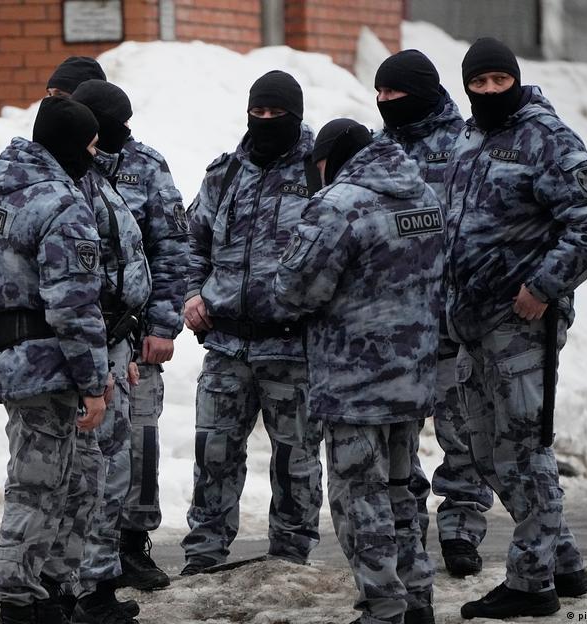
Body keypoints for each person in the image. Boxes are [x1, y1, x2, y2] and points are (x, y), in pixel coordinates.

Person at [444, 38, 587, 619]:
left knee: (524, 451)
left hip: (522, 323)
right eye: (481, 82)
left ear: (515, 80)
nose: (491, 90)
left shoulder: (546, 138)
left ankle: (530, 582)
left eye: (501, 80)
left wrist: (544, 286)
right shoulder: (472, 138)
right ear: (468, 86)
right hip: (475, 323)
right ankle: (562, 561)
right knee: (490, 453)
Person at [0, 96, 113, 624]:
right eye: (92, 147)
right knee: (37, 484)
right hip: (52, 364)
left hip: (14, 359)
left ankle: (53, 588)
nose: (95, 157)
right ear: (73, 145)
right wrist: (94, 382)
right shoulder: (62, 203)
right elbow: (74, 305)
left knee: (77, 476)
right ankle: (20, 598)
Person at [275, 118, 441, 624]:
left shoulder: (339, 205)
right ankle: (417, 599)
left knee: (358, 496)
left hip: (355, 384)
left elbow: (296, 288)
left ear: (331, 158)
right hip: (411, 377)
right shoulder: (424, 197)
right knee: (401, 489)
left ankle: (383, 605)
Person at [45, 58, 189, 591]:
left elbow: (173, 248)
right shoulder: (56, 159)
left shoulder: (147, 167)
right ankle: (73, 553)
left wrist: (163, 326)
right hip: (78, 335)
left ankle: (132, 543)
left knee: (139, 442)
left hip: (134, 332)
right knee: (76, 450)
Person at [181, 70, 323, 575]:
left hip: (292, 348)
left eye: (275, 114)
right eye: (258, 113)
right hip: (226, 346)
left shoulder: (321, 172)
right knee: (214, 453)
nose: (265, 121)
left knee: (295, 459)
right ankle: (203, 554)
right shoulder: (225, 175)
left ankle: (290, 556)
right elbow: (192, 244)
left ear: (295, 115)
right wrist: (193, 294)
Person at [375, 49, 494, 577]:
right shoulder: (377, 151)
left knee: (460, 431)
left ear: (421, 92)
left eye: (394, 94)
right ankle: (407, 526)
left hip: (450, 318)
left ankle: (461, 528)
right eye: (378, 94)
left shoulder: (467, 145)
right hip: (394, 321)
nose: (384, 103)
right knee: (400, 434)